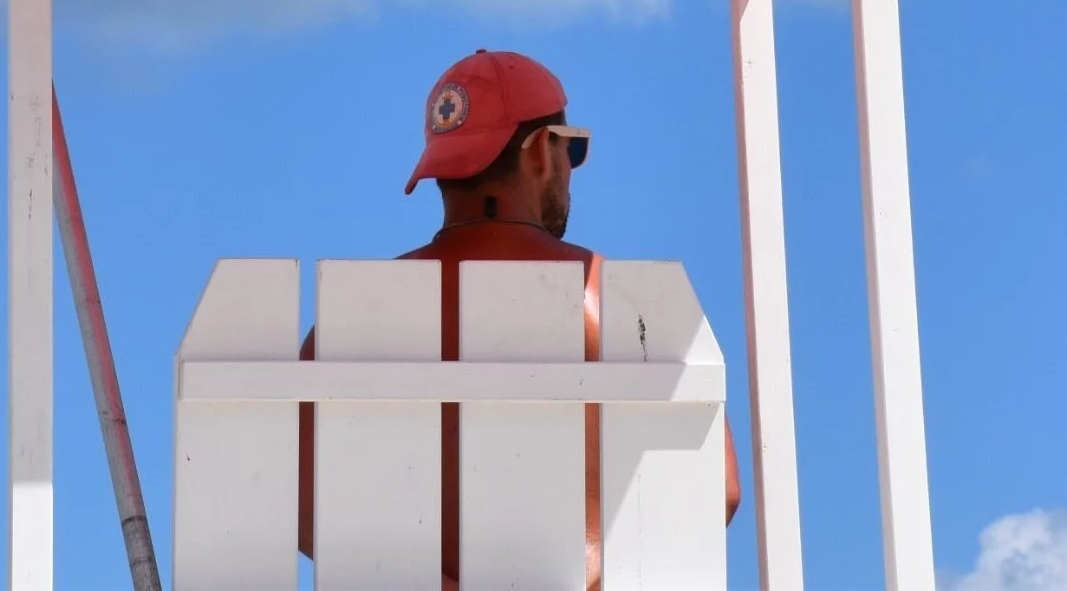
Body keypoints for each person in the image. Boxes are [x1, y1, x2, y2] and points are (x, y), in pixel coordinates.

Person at [301, 49, 740, 589]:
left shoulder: (351, 317)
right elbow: (717, 489)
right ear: (540, 154)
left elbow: (299, 504)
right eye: (570, 149)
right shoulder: (623, 303)